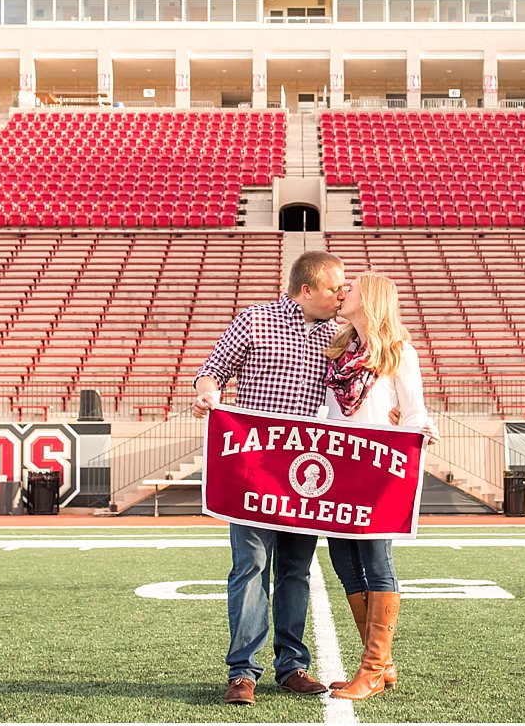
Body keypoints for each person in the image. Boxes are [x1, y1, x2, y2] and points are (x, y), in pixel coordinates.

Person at [191, 250, 347, 707]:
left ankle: (292, 665)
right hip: (255, 472)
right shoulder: (255, 320)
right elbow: (212, 371)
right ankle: (242, 672)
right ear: (306, 290)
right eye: (334, 288)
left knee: (296, 570)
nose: (341, 296)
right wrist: (207, 396)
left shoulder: (339, 334)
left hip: (307, 476)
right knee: (251, 567)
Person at [321, 271, 436, 701]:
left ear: (369, 298)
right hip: (337, 470)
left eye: (348, 288)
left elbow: (413, 413)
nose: (340, 292)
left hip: (377, 471)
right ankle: (383, 665)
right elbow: (328, 410)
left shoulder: (399, 351)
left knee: (375, 557)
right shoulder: (339, 349)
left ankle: (371, 669)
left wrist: (412, 441)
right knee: (342, 557)